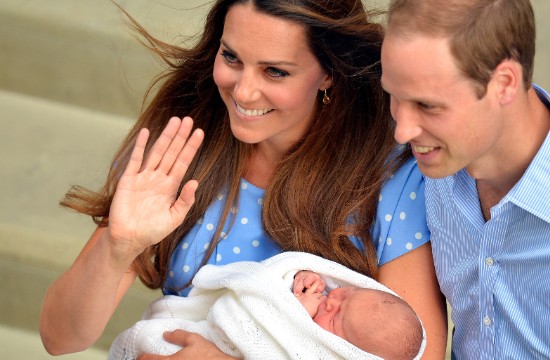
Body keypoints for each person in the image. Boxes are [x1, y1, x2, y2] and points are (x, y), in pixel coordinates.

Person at [39, 0, 448, 359]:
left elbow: (414, 355)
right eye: (232, 58)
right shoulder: (181, 148)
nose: (244, 92)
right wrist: (117, 248)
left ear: (328, 74)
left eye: (275, 71)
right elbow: (61, 339)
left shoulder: (392, 180)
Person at [381, 0, 550, 358]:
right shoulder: (430, 168)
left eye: (428, 106)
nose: (402, 130)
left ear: (504, 83)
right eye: (394, 96)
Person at [109, 253, 424, 360]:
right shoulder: (319, 296)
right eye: (345, 295)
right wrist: (296, 280)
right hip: (199, 331)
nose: (330, 300)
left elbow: (273, 334)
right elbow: (264, 290)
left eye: (337, 316)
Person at [294, 270, 423, 360]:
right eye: (344, 295)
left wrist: (298, 311)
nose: (330, 301)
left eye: (333, 320)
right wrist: (305, 277)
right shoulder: (324, 293)